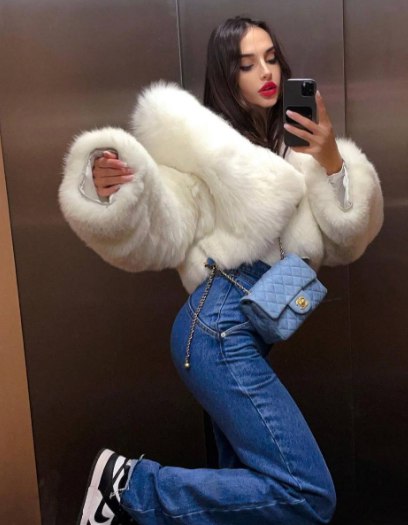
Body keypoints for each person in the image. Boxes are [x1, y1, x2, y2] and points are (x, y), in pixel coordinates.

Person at [59, 16, 383, 525]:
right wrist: (111, 191)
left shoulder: (300, 152)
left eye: (271, 58)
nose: (266, 73)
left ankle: (129, 490)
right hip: (215, 328)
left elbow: (347, 238)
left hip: (246, 330)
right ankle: (130, 485)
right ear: (225, 76)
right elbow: (159, 220)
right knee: (307, 493)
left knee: (254, 500)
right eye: (246, 64)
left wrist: (332, 162)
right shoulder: (207, 153)